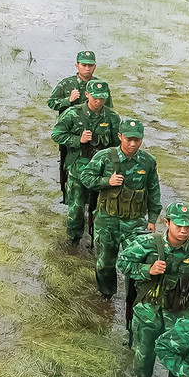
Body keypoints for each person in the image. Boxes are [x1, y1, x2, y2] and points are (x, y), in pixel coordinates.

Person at [116, 199, 189, 377]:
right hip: (148, 312)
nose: (184, 231)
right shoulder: (147, 244)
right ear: (167, 222)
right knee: (144, 359)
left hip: (181, 316)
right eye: (179, 225)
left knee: (184, 362)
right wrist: (148, 270)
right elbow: (123, 263)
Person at [77, 117, 161, 302]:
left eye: (137, 140)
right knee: (105, 263)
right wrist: (107, 181)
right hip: (107, 220)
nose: (132, 144)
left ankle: (134, 300)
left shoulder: (148, 162)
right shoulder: (105, 157)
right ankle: (106, 294)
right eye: (128, 139)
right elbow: (86, 177)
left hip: (135, 222)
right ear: (120, 136)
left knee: (137, 262)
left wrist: (152, 220)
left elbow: (154, 191)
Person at [51, 80, 120, 245]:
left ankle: (96, 239)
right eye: (95, 98)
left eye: (102, 98)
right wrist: (77, 139)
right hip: (78, 168)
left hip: (101, 171)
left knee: (100, 208)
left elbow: (117, 146)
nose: (99, 101)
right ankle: (73, 240)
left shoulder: (112, 117)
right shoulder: (72, 114)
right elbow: (56, 135)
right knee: (76, 207)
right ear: (87, 95)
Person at [47, 51, 115, 200]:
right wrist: (67, 100)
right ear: (77, 66)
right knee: (67, 164)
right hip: (71, 132)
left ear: (95, 66)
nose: (87, 69)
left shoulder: (101, 86)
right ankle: (67, 194)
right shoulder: (67, 84)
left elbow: (109, 110)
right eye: (84, 65)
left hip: (96, 134)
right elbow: (51, 102)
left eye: (90, 65)